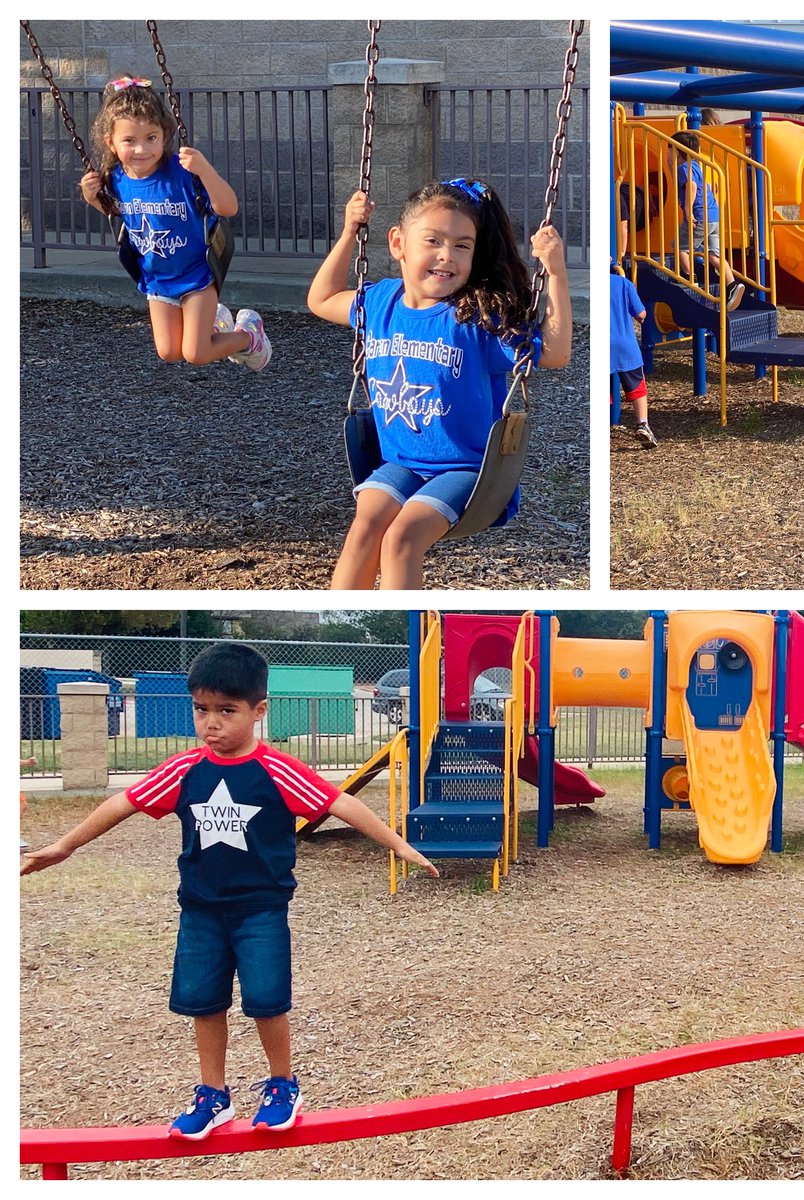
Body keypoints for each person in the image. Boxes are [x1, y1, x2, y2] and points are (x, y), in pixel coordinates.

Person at [20, 642, 439, 1139]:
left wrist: (400, 847)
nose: (211, 723)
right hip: (200, 912)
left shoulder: (277, 770)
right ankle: (213, 1095)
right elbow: (122, 805)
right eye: (201, 709)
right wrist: (64, 846)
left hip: (261, 911)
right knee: (203, 1001)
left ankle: (282, 1084)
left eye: (226, 710)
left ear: (258, 711)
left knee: (266, 999)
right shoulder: (185, 770)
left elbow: (344, 806)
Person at [308, 179, 572, 590]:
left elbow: (554, 354)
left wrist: (555, 273)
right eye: (433, 240)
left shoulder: (476, 318)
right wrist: (348, 233)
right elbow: (321, 300)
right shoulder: (379, 302)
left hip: (467, 469)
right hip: (401, 462)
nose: (446, 256)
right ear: (398, 243)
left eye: (462, 246)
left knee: (401, 538)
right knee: (365, 527)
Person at [80, 76, 271, 370]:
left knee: (196, 353)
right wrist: (91, 196)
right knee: (169, 351)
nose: (142, 149)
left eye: (151, 138)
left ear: (164, 134)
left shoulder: (181, 173)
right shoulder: (115, 178)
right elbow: (117, 213)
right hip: (157, 279)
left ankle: (248, 337)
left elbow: (228, 207)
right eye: (129, 141)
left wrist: (204, 169)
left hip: (196, 276)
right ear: (111, 142)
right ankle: (216, 325)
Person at [670, 131, 744, 310]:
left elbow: (692, 187)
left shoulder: (683, 169)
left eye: (670, 149)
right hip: (713, 216)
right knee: (714, 255)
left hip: (699, 216)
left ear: (677, 152)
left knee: (680, 247)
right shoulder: (695, 165)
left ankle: (690, 279)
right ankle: (732, 285)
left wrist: (688, 212)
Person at [610, 264, 656, 448]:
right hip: (624, 345)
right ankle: (643, 424)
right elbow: (641, 314)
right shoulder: (622, 283)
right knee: (637, 386)